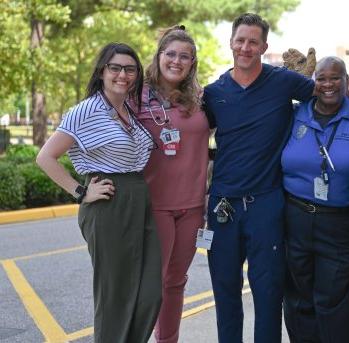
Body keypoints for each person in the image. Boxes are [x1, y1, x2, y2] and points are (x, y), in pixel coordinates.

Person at [36, 43, 161, 343]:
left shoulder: (128, 108)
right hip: (109, 203)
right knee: (114, 295)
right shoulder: (86, 110)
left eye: (130, 69)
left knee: (150, 293)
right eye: (115, 68)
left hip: (138, 197)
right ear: (102, 71)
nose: (123, 75)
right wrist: (81, 192)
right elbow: (45, 157)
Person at [202, 13, 315, 343]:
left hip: (267, 204)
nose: (246, 47)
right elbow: (193, 138)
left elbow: (331, 92)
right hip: (223, 206)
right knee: (225, 294)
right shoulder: (213, 92)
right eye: (240, 40)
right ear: (231, 43)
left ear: (264, 46)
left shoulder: (283, 82)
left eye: (253, 42)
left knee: (268, 295)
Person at [135, 26, 209, 343]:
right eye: (170, 54)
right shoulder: (134, 95)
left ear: (192, 63)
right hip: (155, 205)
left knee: (176, 280)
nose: (176, 61)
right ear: (159, 56)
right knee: (153, 281)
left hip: (193, 206)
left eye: (184, 56)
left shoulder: (202, 98)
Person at [281, 57, 349, 343]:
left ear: (346, 82)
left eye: (335, 78)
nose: (327, 84)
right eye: (321, 78)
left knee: (333, 297)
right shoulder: (295, 114)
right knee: (298, 296)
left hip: (338, 222)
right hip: (295, 216)